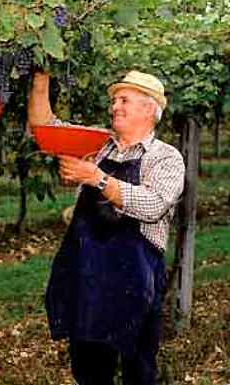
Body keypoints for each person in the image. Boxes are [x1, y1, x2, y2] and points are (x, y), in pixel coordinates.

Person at [28, 70, 185, 385]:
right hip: (88, 277)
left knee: (138, 372)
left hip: (136, 283)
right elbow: (45, 128)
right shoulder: (97, 147)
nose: (115, 106)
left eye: (124, 100)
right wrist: (41, 78)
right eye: (114, 100)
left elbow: (153, 205)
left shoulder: (166, 158)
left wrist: (97, 178)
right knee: (89, 372)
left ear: (149, 109)